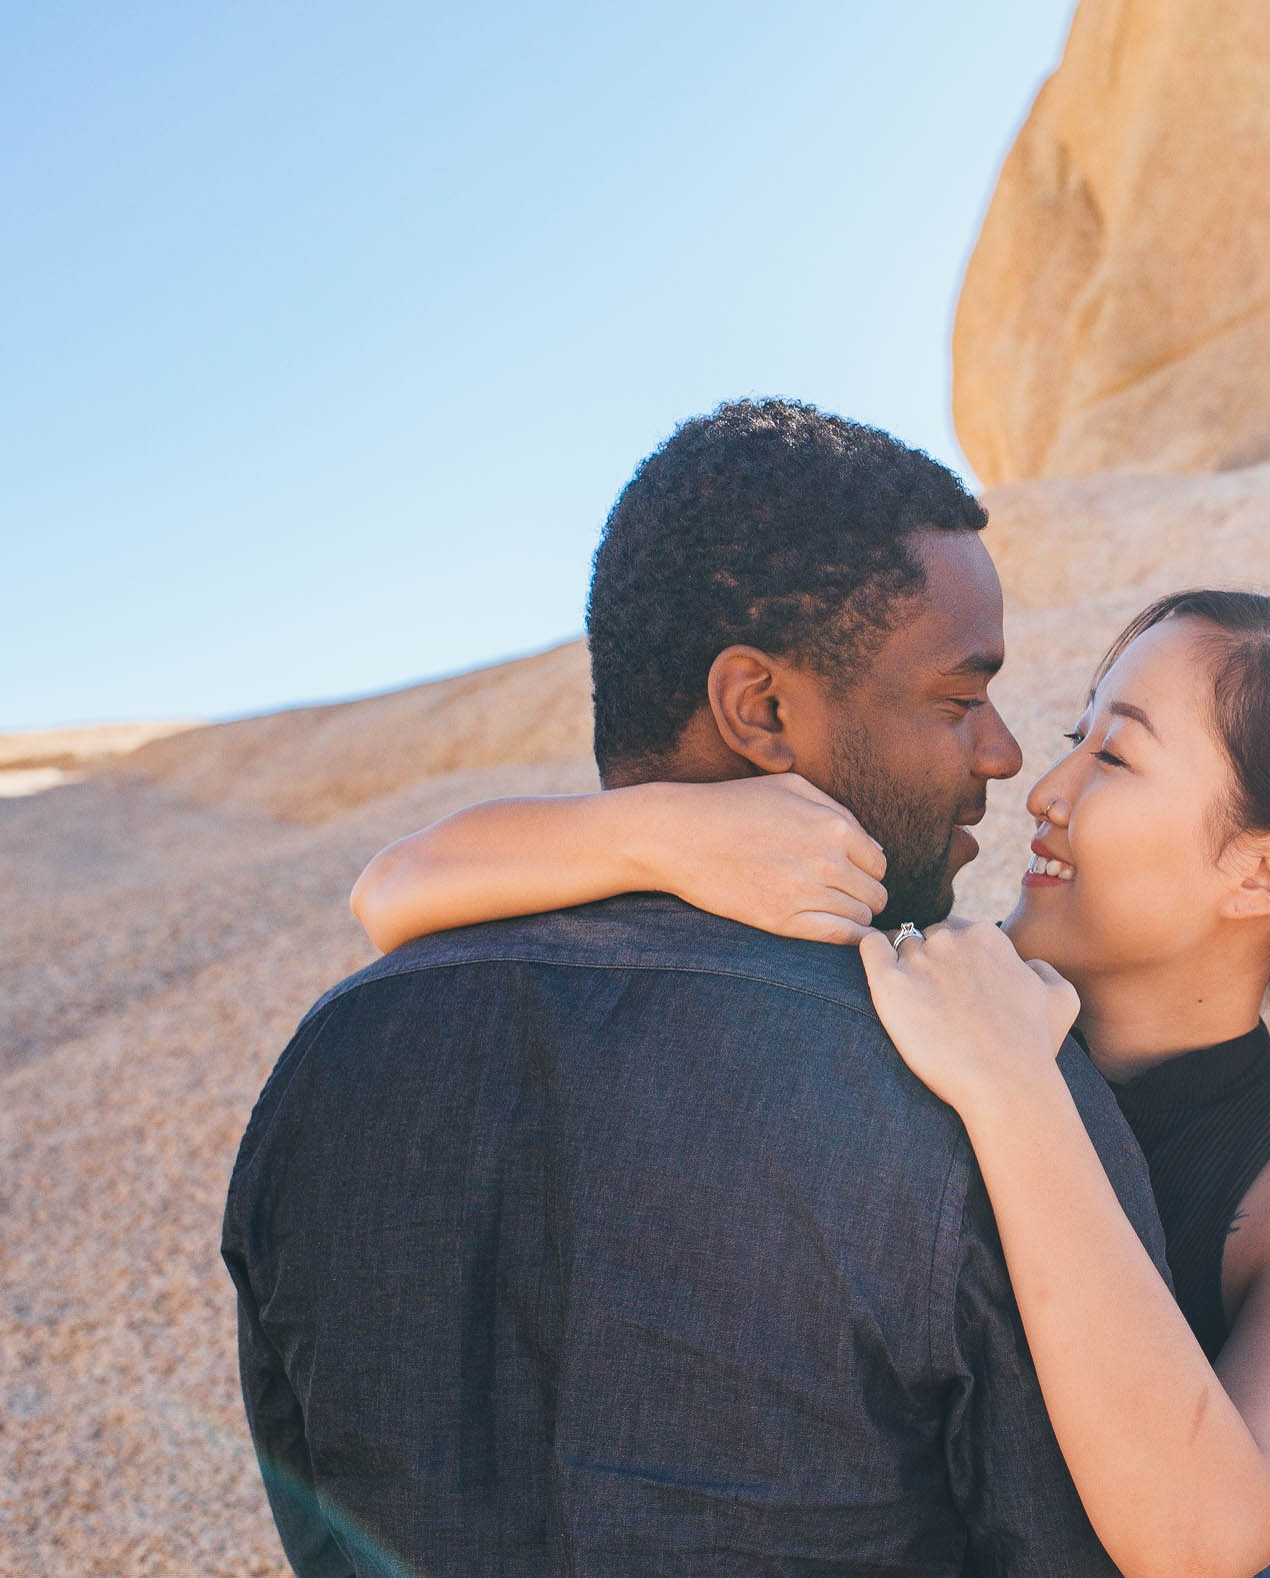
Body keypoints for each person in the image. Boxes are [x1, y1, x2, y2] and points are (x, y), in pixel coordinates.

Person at [223, 399, 1172, 1578]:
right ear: (760, 711)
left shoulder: (332, 1058)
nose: (1002, 753)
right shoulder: (982, 1081)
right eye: (954, 698)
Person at [354, 588, 1270, 1577]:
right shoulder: (927, 962)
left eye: (1113, 758)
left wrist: (1015, 1091)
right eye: (1075, 734)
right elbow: (395, 892)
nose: (1045, 786)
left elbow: (1205, 1542)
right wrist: (662, 834)